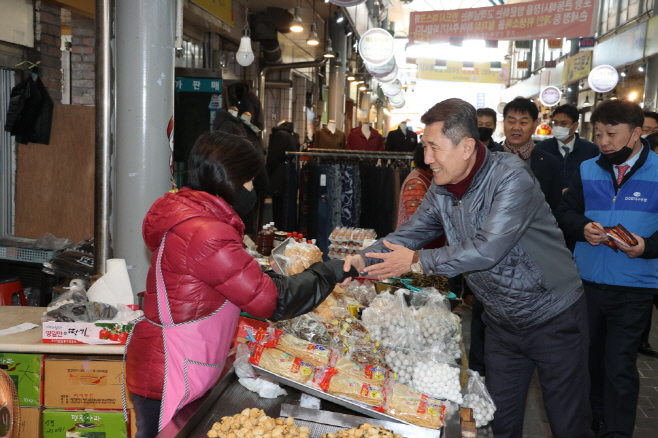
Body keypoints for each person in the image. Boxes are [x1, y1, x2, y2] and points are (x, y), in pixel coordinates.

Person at [342, 98, 593, 438]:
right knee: (499, 421)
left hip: (553, 316)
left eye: (434, 148)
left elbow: (487, 250)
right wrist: (363, 257)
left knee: (567, 423)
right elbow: (411, 233)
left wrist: (418, 261)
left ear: (467, 147)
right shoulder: (442, 187)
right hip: (502, 323)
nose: (427, 158)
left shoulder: (510, 178)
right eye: (424, 147)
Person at [126, 131, 357, 438]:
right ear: (229, 178)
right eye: (249, 180)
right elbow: (270, 301)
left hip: (175, 363)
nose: (252, 189)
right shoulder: (205, 232)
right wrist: (328, 273)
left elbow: (248, 282)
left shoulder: (196, 220)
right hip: (169, 370)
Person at [558, 99, 658, 438]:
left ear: (637, 132)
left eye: (612, 134)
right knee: (588, 361)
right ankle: (592, 419)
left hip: (635, 286)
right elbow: (565, 212)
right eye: (598, 133)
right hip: (587, 283)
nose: (603, 142)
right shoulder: (587, 169)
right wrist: (582, 227)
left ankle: (617, 432)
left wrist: (647, 246)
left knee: (619, 366)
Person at [496, 97, 563, 215]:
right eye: (511, 121)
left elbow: (555, 207)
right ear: (503, 123)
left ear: (534, 125)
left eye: (523, 122)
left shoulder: (549, 163)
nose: (516, 127)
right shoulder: (489, 158)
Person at [535, 104, 599, 192]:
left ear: (575, 125)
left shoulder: (590, 151)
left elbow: (595, 181)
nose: (558, 127)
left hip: (578, 203)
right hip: (547, 203)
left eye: (564, 123)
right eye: (556, 123)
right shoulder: (541, 148)